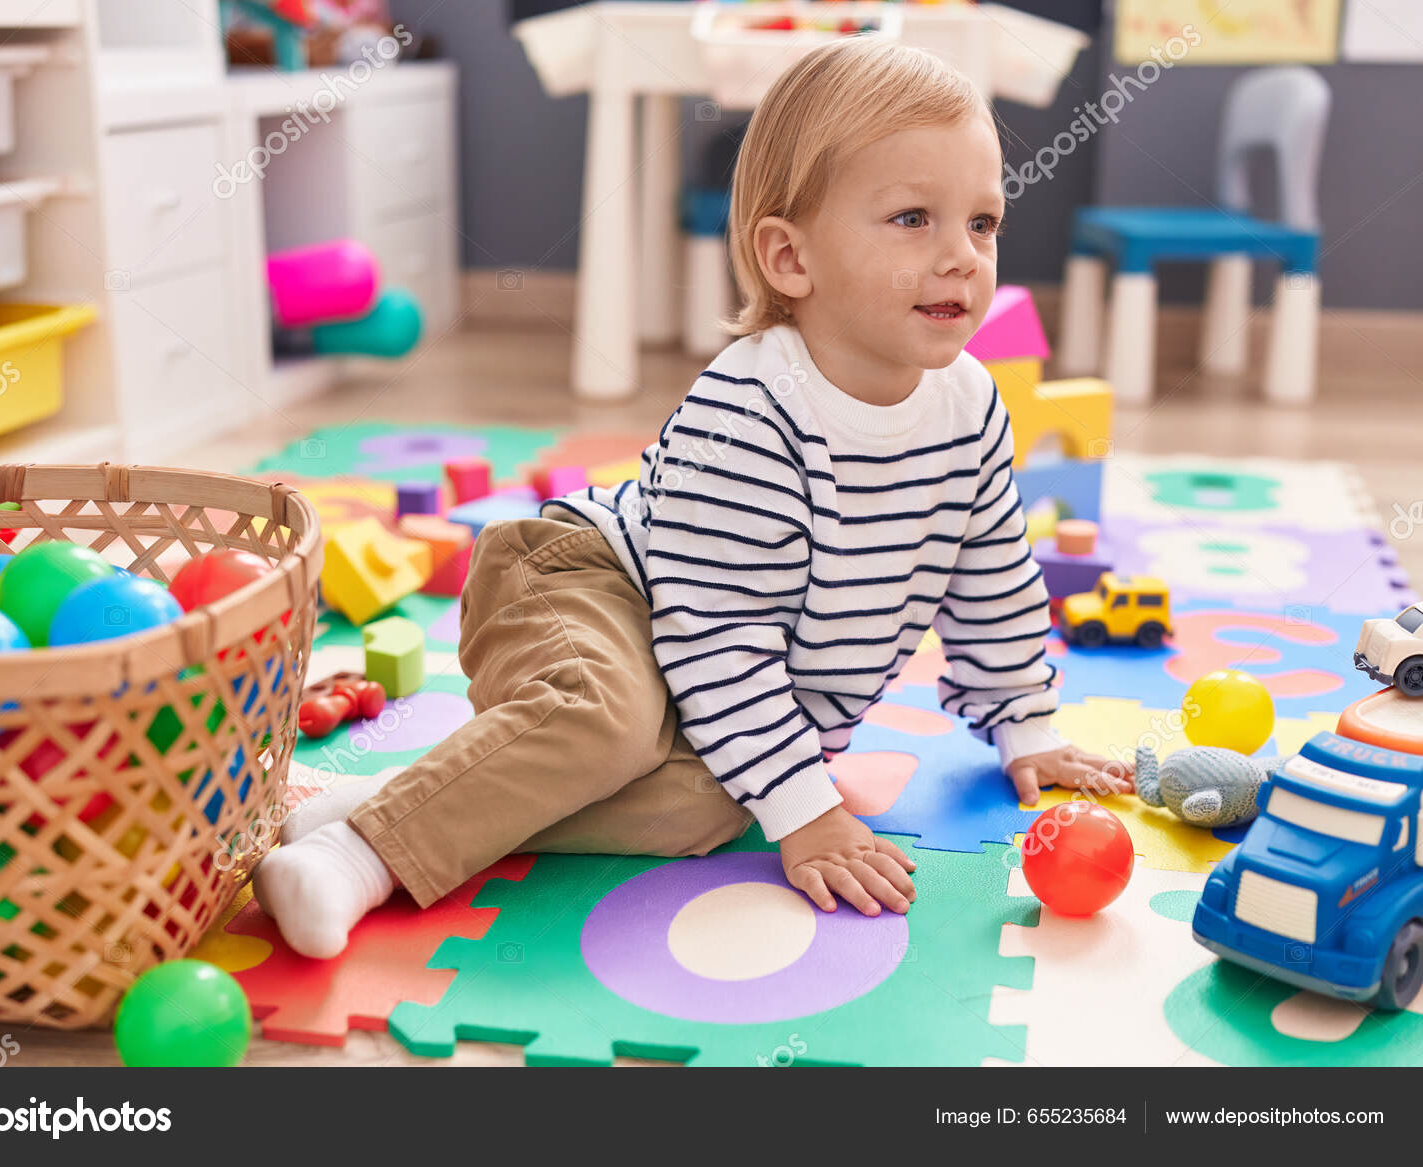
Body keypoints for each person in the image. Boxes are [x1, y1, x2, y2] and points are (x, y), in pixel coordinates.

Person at [253, 38, 1129, 959]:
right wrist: (809, 816)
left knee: (709, 806)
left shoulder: (970, 407)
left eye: (983, 223)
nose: (962, 257)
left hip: (713, 669)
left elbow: (991, 573)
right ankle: (358, 853)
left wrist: (1023, 724)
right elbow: (718, 631)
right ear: (790, 258)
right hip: (587, 584)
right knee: (608, 726)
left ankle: (401, 805)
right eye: (913, 218)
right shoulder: (752, 413)